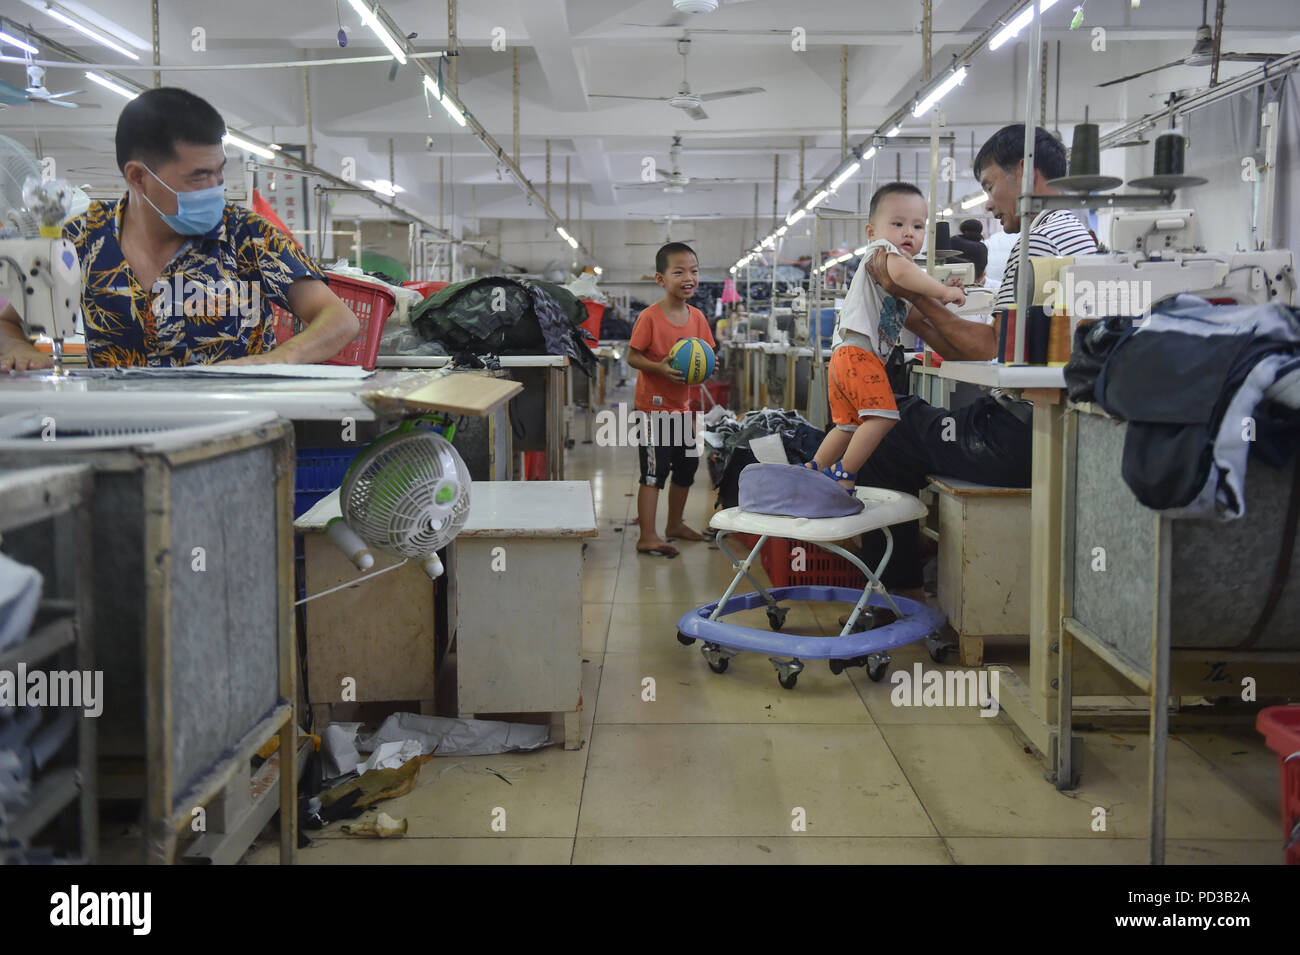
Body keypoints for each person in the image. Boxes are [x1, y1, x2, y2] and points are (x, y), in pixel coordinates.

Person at [851, 124, 1098, 600]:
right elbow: (984, 345)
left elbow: (988, 347)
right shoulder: (1067, 230)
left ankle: (896, 594)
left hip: (1024, 436)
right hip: (1046, 428)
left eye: (989, 186)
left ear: (1023, 173)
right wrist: (908, 303)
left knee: (884, 426)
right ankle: (911, 564)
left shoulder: (1040, 242)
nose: (987, 203)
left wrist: (910, 291)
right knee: (897, 417)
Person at [0, 86, 359, 371]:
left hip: (236, 432)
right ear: (138, 177)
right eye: (199, 177)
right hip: (119, 436)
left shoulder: (248, 236)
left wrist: (279, 360)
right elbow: (8, 323)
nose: (216, 186)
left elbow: (339, 320)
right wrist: (17, 348)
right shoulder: (81, 238)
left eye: (219, 171)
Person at [805, 182, 964, 489]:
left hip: (845, 356)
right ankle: (844, 475)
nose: (909, 233)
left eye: (918, 226)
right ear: (871, 231)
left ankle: (813, 469)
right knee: (884, 417)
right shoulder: (883, 253)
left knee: (848, 426)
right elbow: (905, 275)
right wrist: (944, 290)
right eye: (898, 223)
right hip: (858, 353)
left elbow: (916, 311)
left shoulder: (900, 268)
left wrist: (944, 296)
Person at [626, 242, 716, 558]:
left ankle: (675, 524)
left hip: (684, 409)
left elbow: (707, 354)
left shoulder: (699, 318)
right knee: (654, 471)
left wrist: (708, 366)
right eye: (678, 272)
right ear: (661, 279)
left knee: (687, 467)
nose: (688, 277)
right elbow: (632, 356)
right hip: (653, 409)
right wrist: (660, 367)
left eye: (693, 271)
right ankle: (647, 536)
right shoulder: (650, 317)